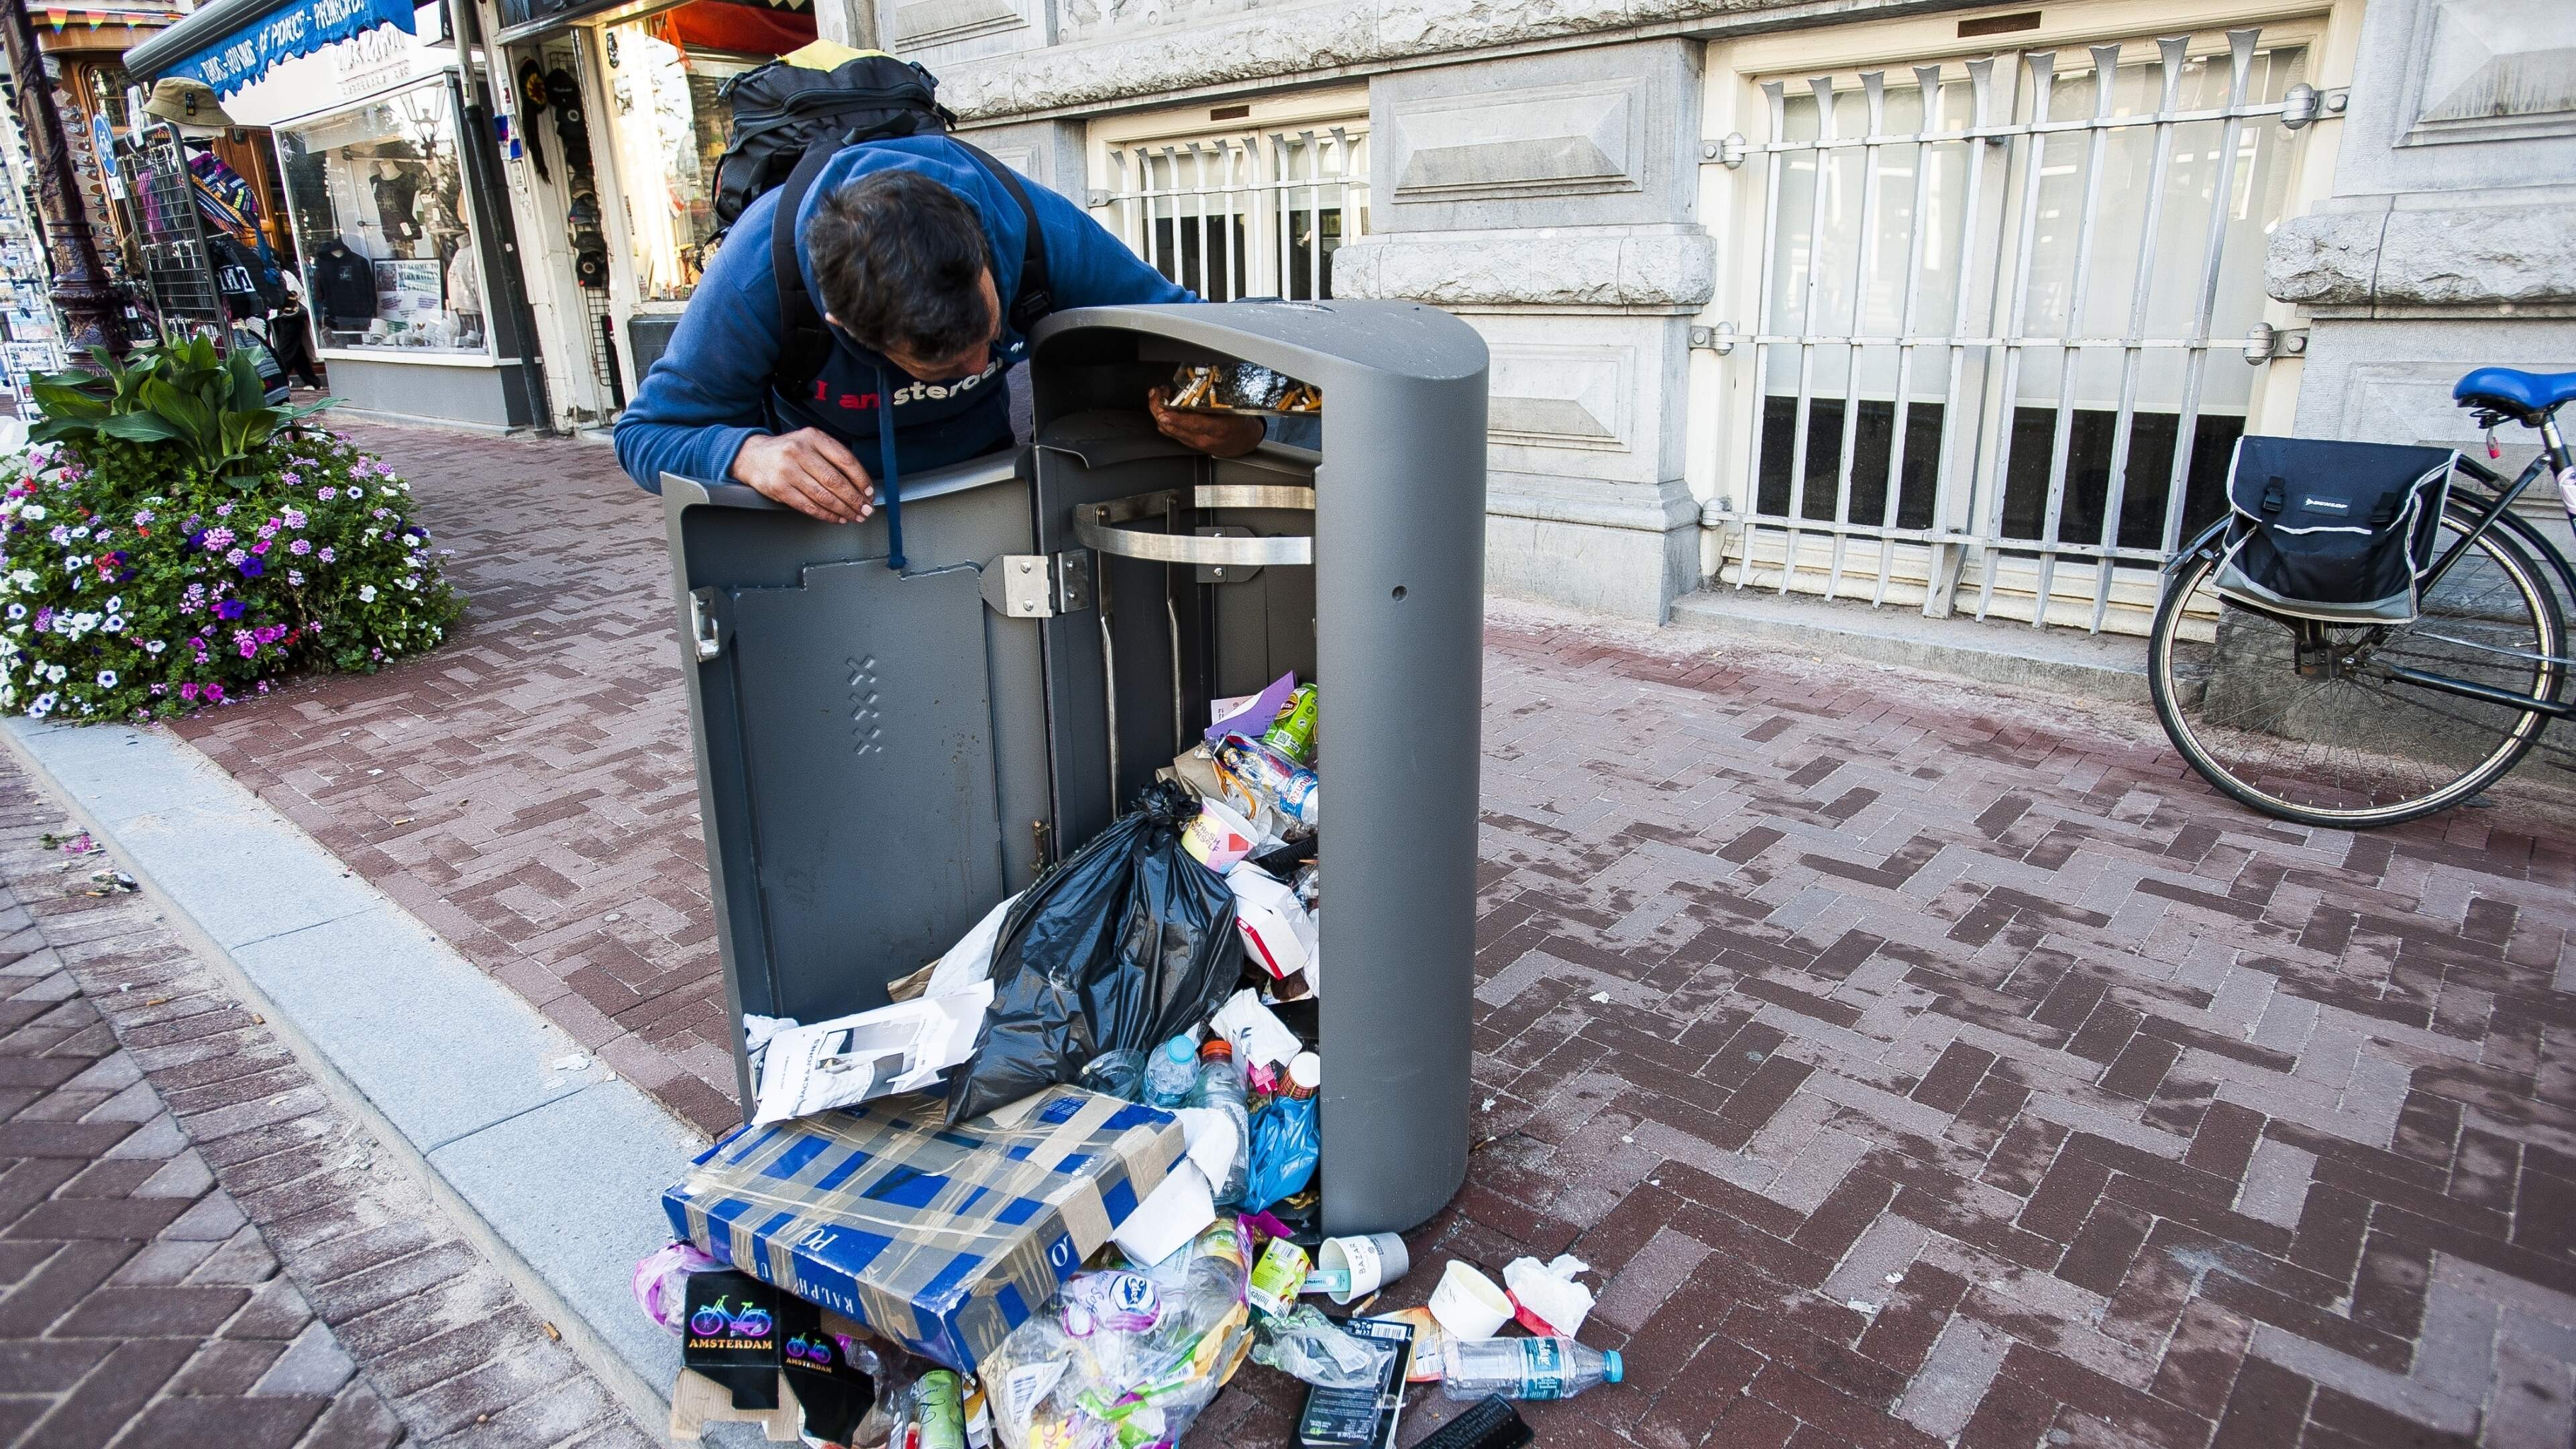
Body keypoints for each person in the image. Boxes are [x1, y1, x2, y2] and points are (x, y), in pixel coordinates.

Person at [613, 136, 1260, 525]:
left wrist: (1243, 416)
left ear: (981, 250)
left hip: (985, 504)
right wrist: (743, 454)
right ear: (847, 328)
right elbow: (643, 435)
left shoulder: (1029, 227)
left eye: (991, 334)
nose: (982, 363)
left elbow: (1195, 332)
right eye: (945, 366)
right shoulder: (757, 273)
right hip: (828, 535)